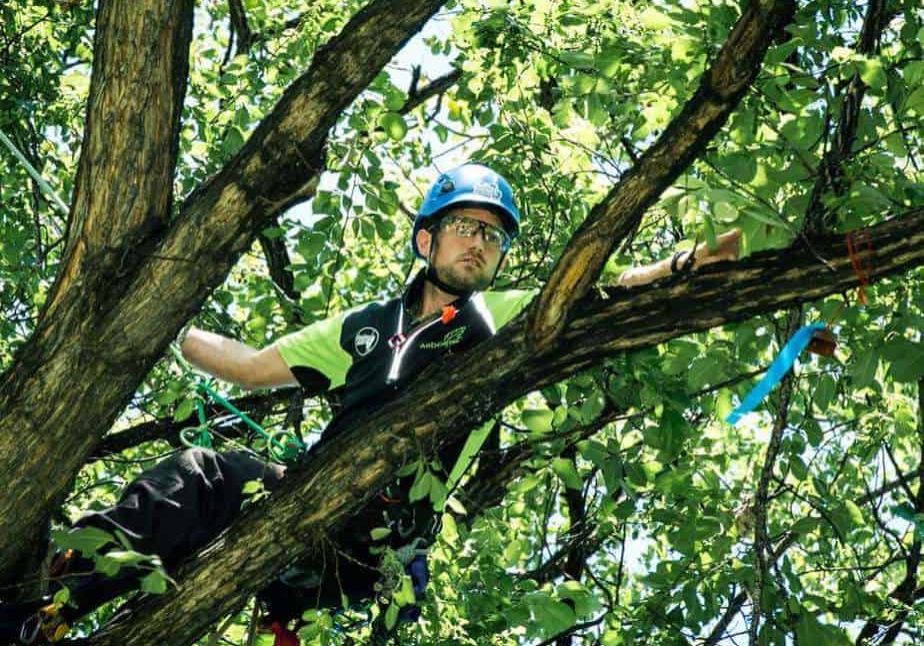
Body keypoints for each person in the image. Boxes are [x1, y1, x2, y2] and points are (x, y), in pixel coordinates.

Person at [0, 163, 739, 645]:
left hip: (381, 540)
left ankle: (284, 622)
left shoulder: (503, 316)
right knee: (201, 475)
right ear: (427, 239)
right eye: (465, 227)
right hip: (306, 495)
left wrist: (688, 264)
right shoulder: (361, 328)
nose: (479, 244)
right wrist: (162, 322)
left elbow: (598, 295)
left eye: (493, 235)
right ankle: (45, 606)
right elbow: (252, 368)